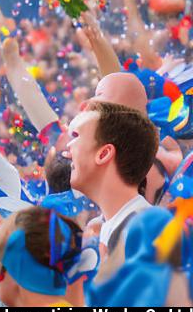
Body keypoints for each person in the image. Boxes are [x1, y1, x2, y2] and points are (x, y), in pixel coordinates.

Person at [62, 100, 158, 256]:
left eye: (76, 136)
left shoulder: (144, 233)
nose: (68, 146)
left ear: (104, 154)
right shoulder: (115, 227)